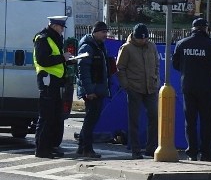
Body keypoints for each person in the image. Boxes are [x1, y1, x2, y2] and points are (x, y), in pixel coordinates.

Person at [172, 17, 211, 161]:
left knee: (190, 121)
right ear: (206, 29)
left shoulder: (182, 44)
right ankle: (206, 153)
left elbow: (176, 64)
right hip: (206, 88)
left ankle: (192, 153)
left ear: (192, 29)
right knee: (206, 121)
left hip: (188, 87)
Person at [33, 16, 74, 158]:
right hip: (47, 82)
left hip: (54, 82)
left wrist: (69, 60)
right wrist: (63, 58)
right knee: (46, 117)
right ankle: (41, 149)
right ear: (55, 26)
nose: (62, 30)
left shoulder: (53, 38)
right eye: (61, 27)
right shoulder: (43, 38)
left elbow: (55, 60)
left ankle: (50, 146)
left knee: (55, 116)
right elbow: (43, 60)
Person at [117, 23, 160, 159]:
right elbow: (120, 68)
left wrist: (156, 79)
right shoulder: (127, 48)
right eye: (141, 39)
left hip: (151, 88)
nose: (143, 41)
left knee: (154, 117)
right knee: (134, 120)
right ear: (134, 37)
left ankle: (151, 147)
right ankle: (135, 150)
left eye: (145, 38)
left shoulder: (152, 46)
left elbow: (157, 64)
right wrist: (126, 85)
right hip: (134, 88)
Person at [75, 21, 112, 159]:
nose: (105, 35)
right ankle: (87, 149)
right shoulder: (88, 47)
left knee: (91, 119)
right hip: (92, 91)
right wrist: (89, 90)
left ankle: (81, 146)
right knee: (90, 120)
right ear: (95, 32)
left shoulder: (100, 46)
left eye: (106, 32)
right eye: (103, 32)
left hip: (97, 89)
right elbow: (82, 70)